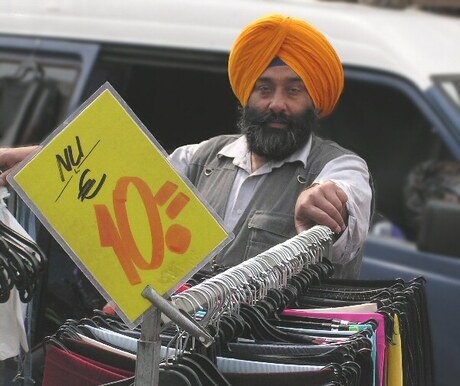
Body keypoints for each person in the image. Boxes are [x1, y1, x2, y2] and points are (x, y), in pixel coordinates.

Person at [0, 14, 373, 279]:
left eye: (294, 90)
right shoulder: (199, 159)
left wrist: (323, 201)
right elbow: (120, 179)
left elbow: (346, 202)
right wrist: (45, 158)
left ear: (314, 101)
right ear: (246, 96)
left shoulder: (339, 168)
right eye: (264, 88)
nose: (277, 103)